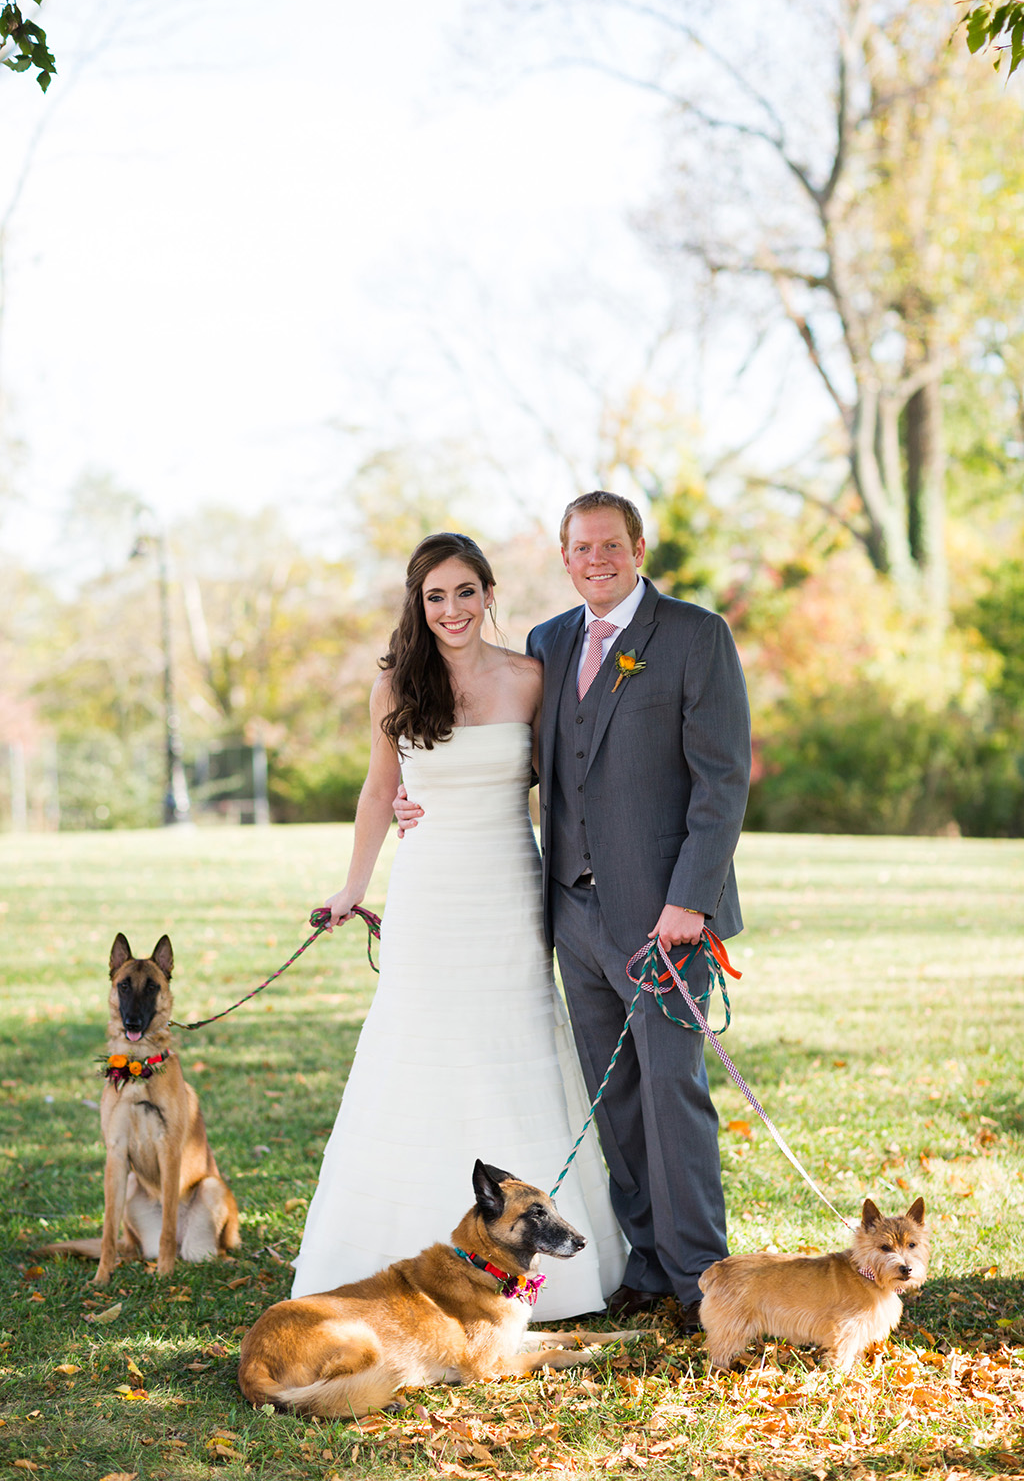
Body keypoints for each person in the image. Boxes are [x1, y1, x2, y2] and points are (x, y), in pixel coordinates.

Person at [396, 494, 751, 1329]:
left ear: (636, 549)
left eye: (610, 545)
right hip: (572, 913)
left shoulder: (696, 637)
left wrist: (688, 902)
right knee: (613, 1096)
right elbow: (520, 759)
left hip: (667, 919)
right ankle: (651, 1267)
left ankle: (703, 1279)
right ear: (564, 557)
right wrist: (423, 802)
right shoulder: (551, 644)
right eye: (580, 547)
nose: (596, 558)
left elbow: (722, 782)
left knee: (671, 1093)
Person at [290, 532, 625, 1319]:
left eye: (465, 592)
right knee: (418, 1047)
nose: (451, 610)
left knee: (513, 1042)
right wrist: (351, 887)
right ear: (419, 604)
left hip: (508, 887)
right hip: (429, 892)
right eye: (435, 596)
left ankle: (553, 1265)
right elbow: (380, 794)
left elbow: (570, 783)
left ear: (488, 594)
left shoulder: (532, 678)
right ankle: (395, 1253)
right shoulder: (394, 686)